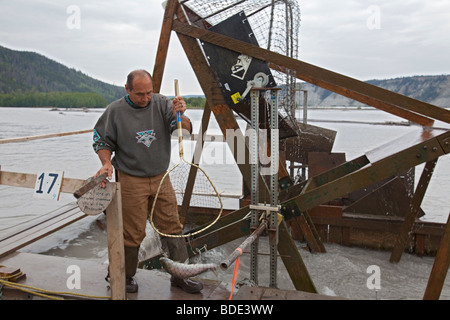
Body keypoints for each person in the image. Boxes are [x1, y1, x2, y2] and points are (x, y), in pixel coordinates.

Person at [92, 69, 203, 294]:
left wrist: (183, 114)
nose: (145, 99)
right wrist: (105, 163)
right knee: (132, 232)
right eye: (139, 94)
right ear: (127, 90)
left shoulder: (162, 103)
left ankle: (180, 275)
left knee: (172, 227)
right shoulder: (115, 111)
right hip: (131, 178)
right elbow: (100, 139)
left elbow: (185, 131)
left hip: (161, 176)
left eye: (149, 93)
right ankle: (124, 276)